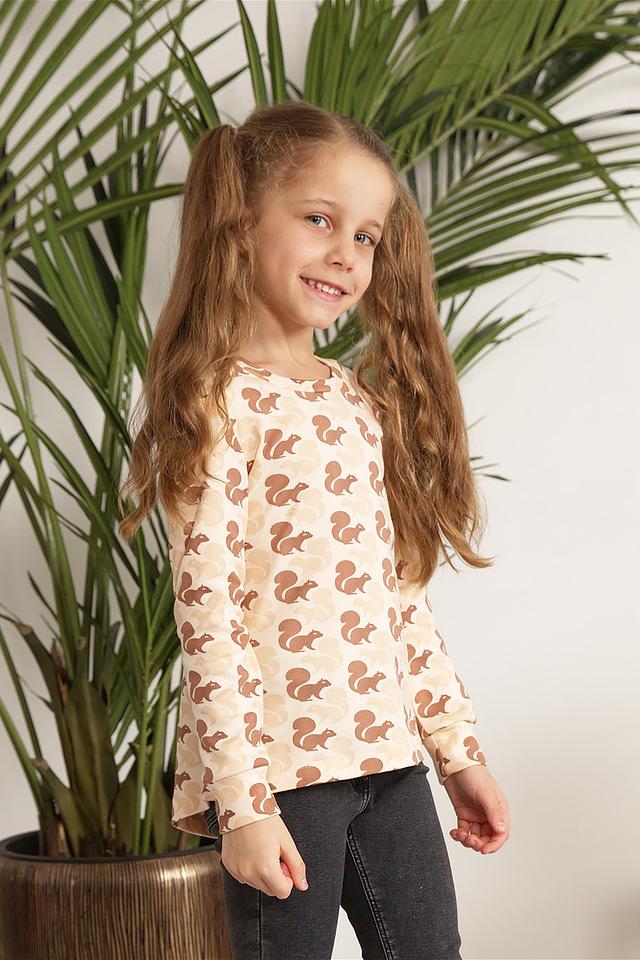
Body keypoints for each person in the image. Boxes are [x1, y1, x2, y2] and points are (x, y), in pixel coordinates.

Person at [118, 100, 510, 960]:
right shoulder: (215, 403)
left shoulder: (354, 401)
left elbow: (397, 599)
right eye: (320, 220)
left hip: (390, 760)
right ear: (241, 223)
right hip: (280, 774)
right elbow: (209, 617)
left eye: (366, 235)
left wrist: (456, 752)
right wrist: (242, 806)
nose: (346, 253)